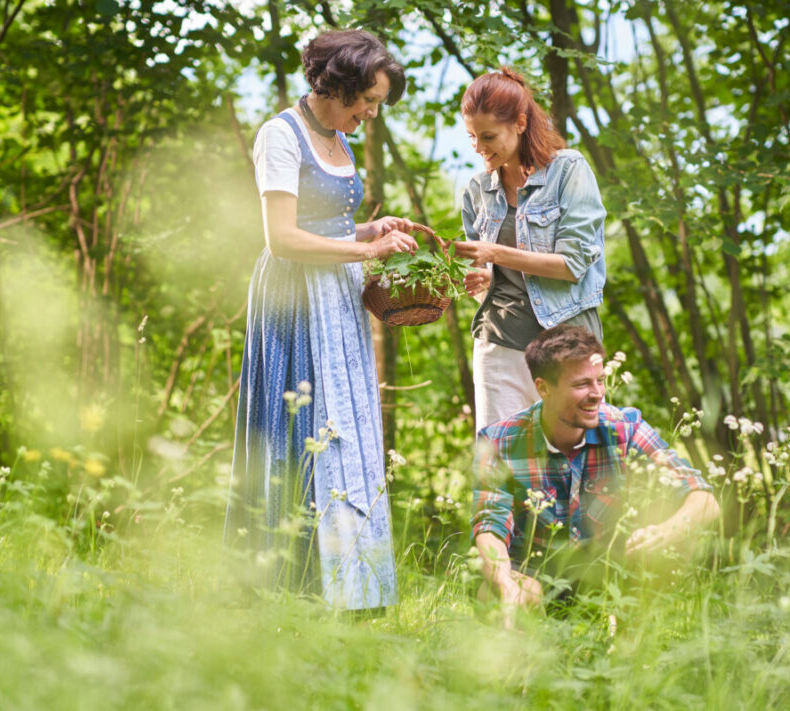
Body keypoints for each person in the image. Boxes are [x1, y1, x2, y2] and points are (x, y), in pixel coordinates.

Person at [224, 29, 417, 611]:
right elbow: (282, 240)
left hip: (337, 295)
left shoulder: (339, 139)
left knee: (347, 429)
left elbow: (328, 228)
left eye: (377, 103)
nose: (371, 113)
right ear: (337, 84)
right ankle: (291, 588)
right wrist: (366, 254)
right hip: (293, 298)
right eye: (368, 100)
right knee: (302, 430)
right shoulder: (280, 137)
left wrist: (369, 231)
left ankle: (356, 589)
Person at [471, 325, 721, 609]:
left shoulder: (625, 429)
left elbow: (704, 498)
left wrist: (668, 531)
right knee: (489, 595)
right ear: (543, 388)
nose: (597, 393)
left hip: (609, 578)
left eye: (600, 380)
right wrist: (507, 589)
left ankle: (626, 649)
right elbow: (489, 527)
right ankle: (527, 645)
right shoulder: (499, 442)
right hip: (535, 575)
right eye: (581, 385)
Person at [454, 68, 607, 432]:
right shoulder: (477, 191)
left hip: (567, 346)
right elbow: (488, 274)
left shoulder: (568, 170)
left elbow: (572, 266)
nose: (478, 147)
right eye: (471, 136)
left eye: (488, 136)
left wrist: (493, 254)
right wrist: (478, 280)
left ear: (520, 123)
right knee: (503, 469)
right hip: (499, 344)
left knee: (578, 463)